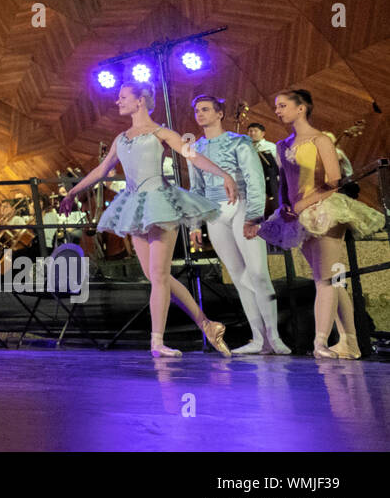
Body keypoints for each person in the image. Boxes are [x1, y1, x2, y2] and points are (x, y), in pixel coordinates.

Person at [60, 81, 237, 358]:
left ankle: (157, 342)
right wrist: (72, 191)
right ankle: (207, 324)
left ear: (140, 100)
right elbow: (102, 170)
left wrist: (224, 174)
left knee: (158, 276)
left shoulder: (161, 133)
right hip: (134, 205)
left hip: (160, 204)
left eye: (123, 97)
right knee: (156, 276)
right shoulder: (121, 139)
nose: (118, 101)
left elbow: (193, 155)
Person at [245, 89, 385, 359]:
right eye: (276, 106)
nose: (277, 110)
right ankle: (350, 342)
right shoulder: (284, 145)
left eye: (283, 105)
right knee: (331, 281)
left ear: (301, 108)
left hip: (325, 210)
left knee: (326, 280)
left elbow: (334, 180)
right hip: (298, 216)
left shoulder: (321, 140)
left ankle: (320, 342)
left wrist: (305, 203)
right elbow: (284, 183)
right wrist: (286, 206)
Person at [188, 95, 287, 355]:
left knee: (257, 272)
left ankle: (274, 337)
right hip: (213, 213)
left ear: (220, 113)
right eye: (197, 110)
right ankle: (258, 339)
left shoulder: (239, 141)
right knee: (239, 276)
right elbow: (195, 188)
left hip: (241, 206)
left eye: (206, 109)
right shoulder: (195, 149)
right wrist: (195, 225)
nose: (200, 114)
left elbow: (255, 180)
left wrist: (253, 216)